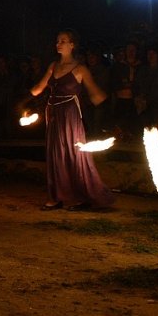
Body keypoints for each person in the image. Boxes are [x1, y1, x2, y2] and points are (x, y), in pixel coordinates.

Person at [30, 30, 115, 211]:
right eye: (57, 41)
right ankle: (56, 197)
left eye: (63, 41)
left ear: (72, 44)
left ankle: (81, 197)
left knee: (73, 153)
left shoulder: (80, 69)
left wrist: (112, 115)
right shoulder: (53, 66)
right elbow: (38, 88)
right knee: (55, 154)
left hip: (70, 115)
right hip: (53, 114)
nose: (58, 44)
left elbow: (96, 94)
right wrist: (24, 100)